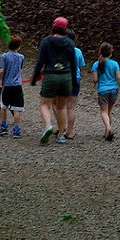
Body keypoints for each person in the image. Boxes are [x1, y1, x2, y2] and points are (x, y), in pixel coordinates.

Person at [30, 16, 77, 145]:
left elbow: (40, 61)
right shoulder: (70, 43)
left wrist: (34, 77)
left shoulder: (46, 41)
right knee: (62, 106)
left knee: (45, 104)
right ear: (65, 29)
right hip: (66, 76)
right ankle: (61, 135)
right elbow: (73, 64)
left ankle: (48, 126)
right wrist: (74, 81)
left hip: (51, 75)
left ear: (54, 27)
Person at [92, 41, 120, 141]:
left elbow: (95, 80)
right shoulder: (115, 64)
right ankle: (107, 133)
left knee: (104, 112)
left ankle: (108, 128)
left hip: (103, 91)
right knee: (109, 112)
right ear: (110, 53)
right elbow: (119, 78)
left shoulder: (96, 64)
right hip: (114, 90)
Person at [0, 35, 26, 137]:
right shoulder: (21, 57)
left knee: (4, 106)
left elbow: (1, 71)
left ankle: (4, 127)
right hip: (17, 85)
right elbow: (20, 68)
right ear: (19, 46)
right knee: (17, 108)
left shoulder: (4, 57)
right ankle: (16, 130)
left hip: (7, 85)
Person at [64, 29, 85, 140]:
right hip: (76, 78)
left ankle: (60, 127)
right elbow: (81, 65)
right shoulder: (78, 51)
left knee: (60, 105)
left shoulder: (62, 51)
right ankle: (70, 131)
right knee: (71, 107)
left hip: (64, 78)